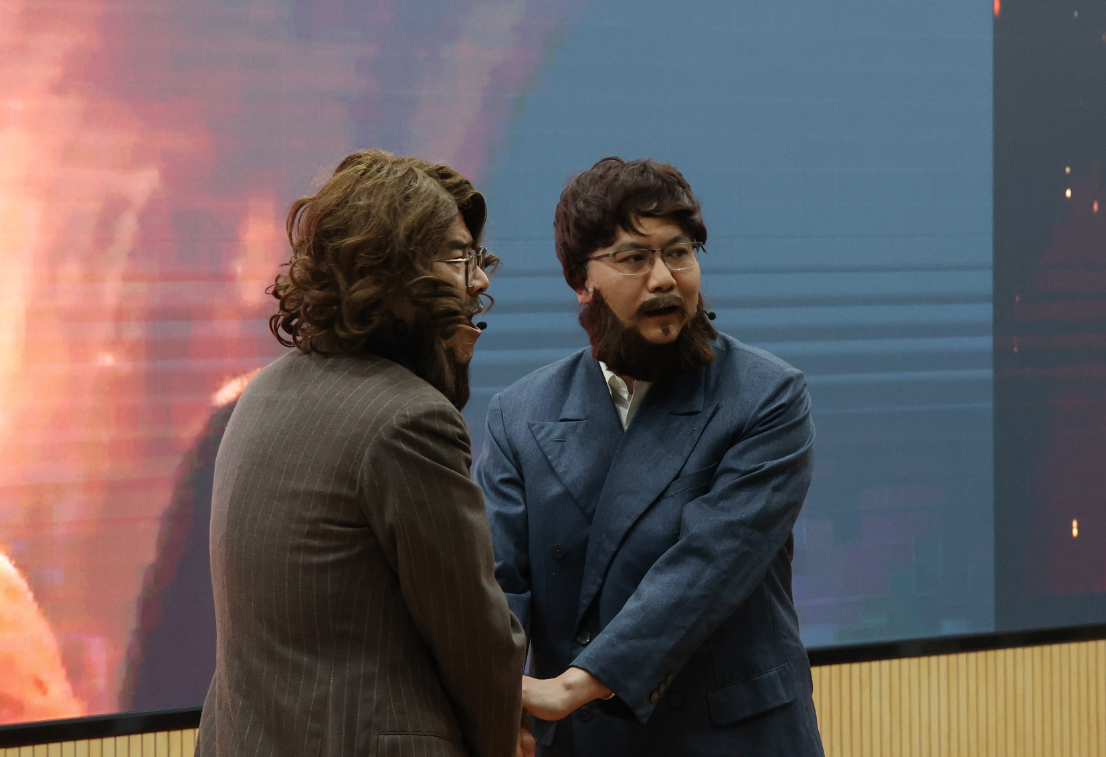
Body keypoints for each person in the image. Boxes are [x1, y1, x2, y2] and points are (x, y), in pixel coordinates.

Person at [473, 157, 824, 756]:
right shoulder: (520, 413)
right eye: (634, 258)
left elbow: (706, 568)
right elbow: (498, 585)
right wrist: (495, 700)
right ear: (581, 281)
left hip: (733, 737)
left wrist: (573, 686)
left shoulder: (767, 395)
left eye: (679, 253)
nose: (664, 279)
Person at [197, 150, 528, 757]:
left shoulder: (263, 391)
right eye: (458, 257)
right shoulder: (410, 419)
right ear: (389, 272)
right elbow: (477, 643)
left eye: (477, 259)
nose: (480, 281)